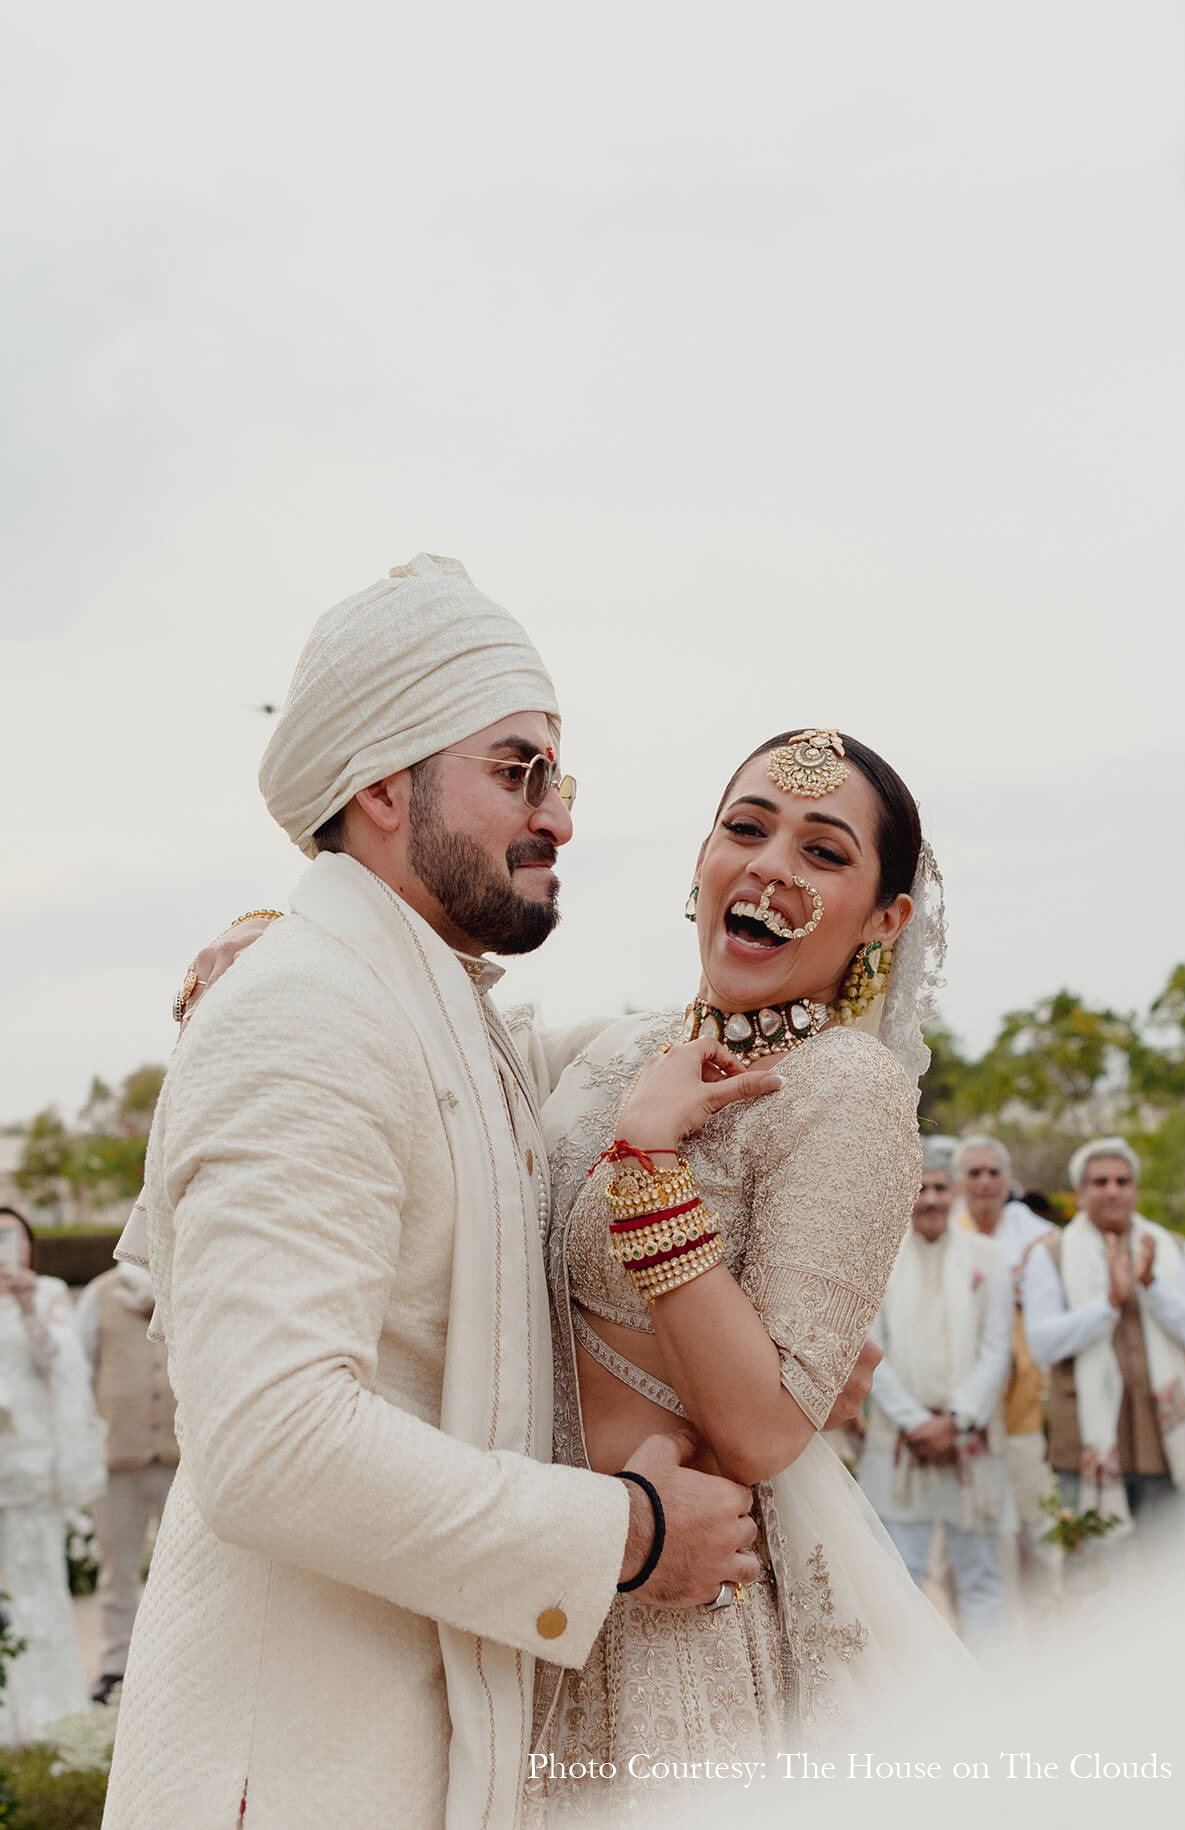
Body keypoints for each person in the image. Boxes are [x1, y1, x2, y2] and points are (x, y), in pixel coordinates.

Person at [102, 556, 762, 1830]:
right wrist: (625, 1537)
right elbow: (272, 1441)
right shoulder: (307, 1007)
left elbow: (596, 1065)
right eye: (518, 770)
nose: (557, 816)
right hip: (289, 1778)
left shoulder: (431, 1009)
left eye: (559, 779)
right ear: (380, 788)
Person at [532, 726, 974, 1809]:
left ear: (883, 921)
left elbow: (767, 1429)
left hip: (676, 1625)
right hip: (540, 1575)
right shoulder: (611, 1050)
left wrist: (649, 1166)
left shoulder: (846, 1090)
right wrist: (273, 938)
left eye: (823, 851)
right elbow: (442, 1040)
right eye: (746, 828)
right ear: (702, 862)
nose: (772, 865)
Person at [1024, 1136, 1185, 1552]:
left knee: (1170, 1574)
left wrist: (1152, 1286)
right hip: (1085, 1445)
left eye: (1122, 1181)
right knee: (1094, 1574)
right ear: (1080, 1193)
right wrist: (1109, 1303)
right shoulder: (1051, 1256)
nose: (1112, 1190)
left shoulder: (1174, 1250)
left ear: (1135, 1190)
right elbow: (1042, 1345)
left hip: (1164, 1441)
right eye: (1100, 1182)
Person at [856, 1149, 1013, 1650]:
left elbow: (997, 1351)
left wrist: (957, 1420)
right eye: (921, 1188)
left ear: (955, 1193)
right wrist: (916, 1423)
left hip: (970, 1440)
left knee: (981, 1580)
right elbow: (870, 1350)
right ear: (905, 1191)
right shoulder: (879, 1258)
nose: (931, 1199)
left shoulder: (989, 1258)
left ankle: (991, 1683)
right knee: (901, 1578)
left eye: (941, 1188)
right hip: (902, 1443)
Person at [0, 1206, 105, 1745]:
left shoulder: (48, 1293)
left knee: (38, 1580)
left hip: (29, 1462)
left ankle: (48, 1711)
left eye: (14, 1236)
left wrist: (26, 1308)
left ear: (29, 1245)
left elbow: (64, 1363)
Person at [952, 1135, 1059, 1589]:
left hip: (1023, 1402)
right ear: (960, 1182)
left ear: (1008, 1180)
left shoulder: (1039, 1237)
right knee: (970, 1529)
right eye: (974, 1173)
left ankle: (1050, 1613)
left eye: (993, 1172)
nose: (985, 1181)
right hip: (962, 1403)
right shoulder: (944, 1234)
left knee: (1036, 1520)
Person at [75, 1261, 177, 1704]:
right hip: (116, 1459)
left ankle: (177, 1665)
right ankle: (115, 1666)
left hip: (178, 1458)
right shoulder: (98, 1294)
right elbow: (79, 1371)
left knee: (184, 1568)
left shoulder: (185, 1281)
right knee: (117, 1567)